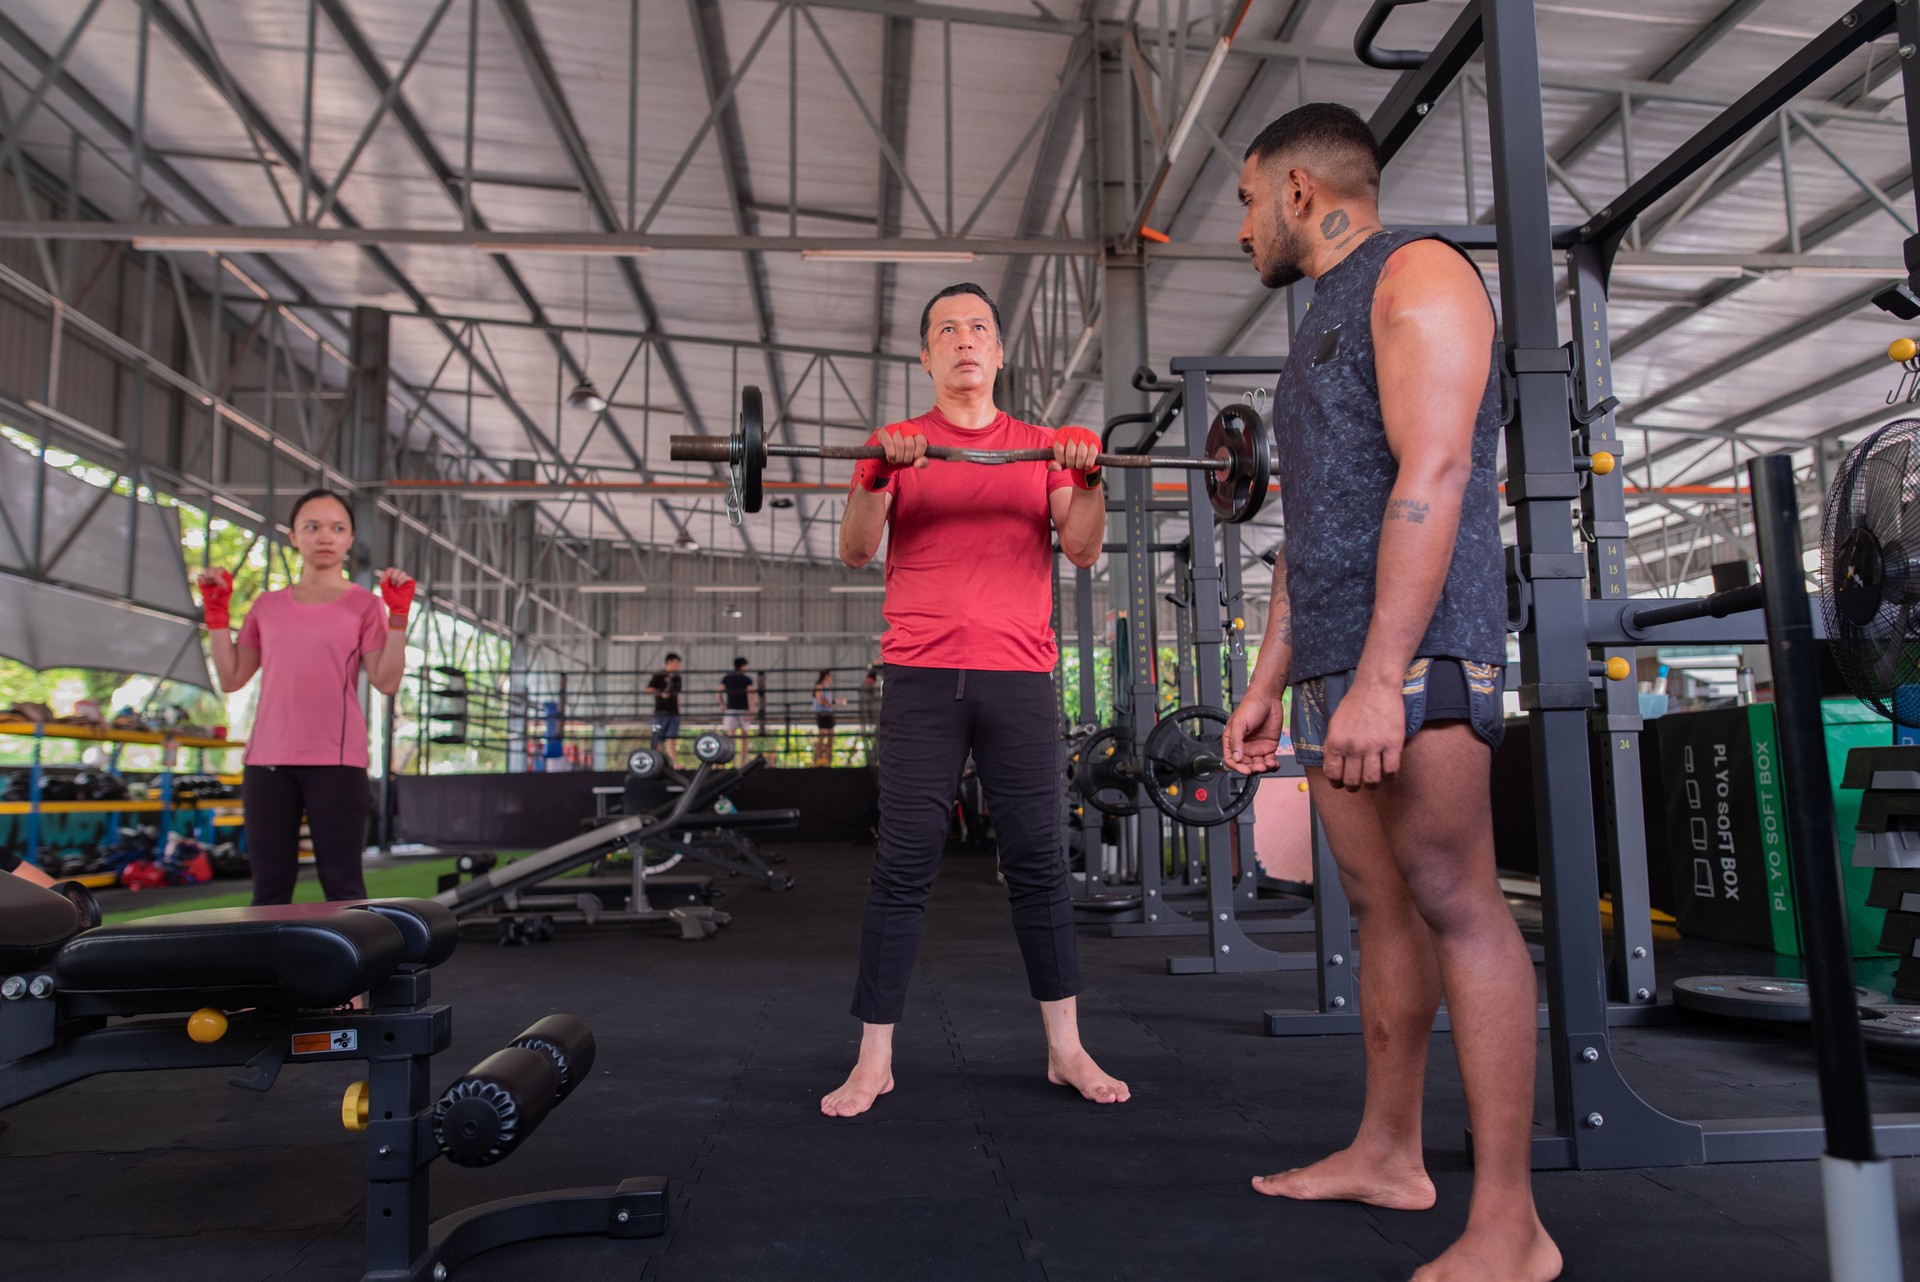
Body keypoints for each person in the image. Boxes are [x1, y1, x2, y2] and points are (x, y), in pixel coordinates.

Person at [1221, 104, 1559, 1282]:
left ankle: (1512, 1222)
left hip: (1421, 657)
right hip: (1333, 671)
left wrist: (1379, 677)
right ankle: (1389, 1149)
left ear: (1304, 189)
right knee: (1382, 910)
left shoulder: (1417, 276)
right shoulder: (1313, 327)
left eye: (1248, 199)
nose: (1242, 226)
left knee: (1455, 895)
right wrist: (1270, 683)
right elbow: (1308, 534)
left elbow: (1440, 468)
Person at [823, 282, 1126, 1118]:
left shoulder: (1041, 449)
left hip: (1020, 680)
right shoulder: (893, 446)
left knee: (1037, 865)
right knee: (904, 864)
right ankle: (873, 1059)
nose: (964, 340)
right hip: (921, 678)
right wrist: (879, 471)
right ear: (925, 355)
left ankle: (1067, 1049)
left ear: (998, 353)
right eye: (946, 330)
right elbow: (854, 551)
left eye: (979, 329)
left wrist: (1090, 475)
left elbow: (1083, 549)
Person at [198, 488, 413, 907]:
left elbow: (386, 681)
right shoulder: (267, 605)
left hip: (336, 761)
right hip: (267, 763)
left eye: (337, 528)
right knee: (270, 889)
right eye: (311, 527)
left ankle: (356, 972)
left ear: (350, 539)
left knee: (343, 887)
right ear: (293, 536)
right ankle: (267, 972)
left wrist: (398, 618)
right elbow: (231, 677)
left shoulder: (365, 606)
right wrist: (217, 617)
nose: (325, 537)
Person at [645, 653, 683, 769]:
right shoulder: (659, 675)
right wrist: (661, 692)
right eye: (676, 663)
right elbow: (648, 689)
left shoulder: (677, 677)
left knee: (672, 738)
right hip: (660, 712)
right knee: (658, 738)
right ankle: (657, 762)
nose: (678, 666)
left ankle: (674, 763)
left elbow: (677, 693)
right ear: (669, 662)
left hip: (674, 712)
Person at [718, 657, 756, 762]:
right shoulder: (747, 679)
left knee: (732, 736)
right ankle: (743, 762)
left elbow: (719, 692)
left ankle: (733, 762)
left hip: (730, 709)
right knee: (745, 736)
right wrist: (752, 709)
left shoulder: (727, 678)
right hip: (743, 709)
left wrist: (722, 704)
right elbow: (751, 694)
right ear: (743, 666)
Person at [809, 670, 839, 767]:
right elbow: (821, 700)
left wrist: (832, 702)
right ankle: (815, 764)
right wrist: (832, 702)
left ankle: (828, 764)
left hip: (828, 714)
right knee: (821, 739)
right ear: (826, 676)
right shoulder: (819, 686)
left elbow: (826, 701)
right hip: (822, 714)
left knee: (830, 739)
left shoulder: (826, 688)